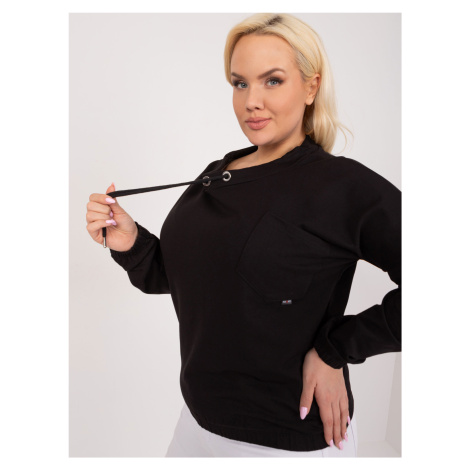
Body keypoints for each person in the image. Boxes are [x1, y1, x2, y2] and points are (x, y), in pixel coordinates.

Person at [86, 13, 401, 457]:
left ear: (311, 86)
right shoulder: (221, 171)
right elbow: (192, 279)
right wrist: (131, 242)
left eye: (273, 81)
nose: (252, 101)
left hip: (286, 439)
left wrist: (335, 349)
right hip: (196, 424)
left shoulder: (343, 187)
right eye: (240, 83)